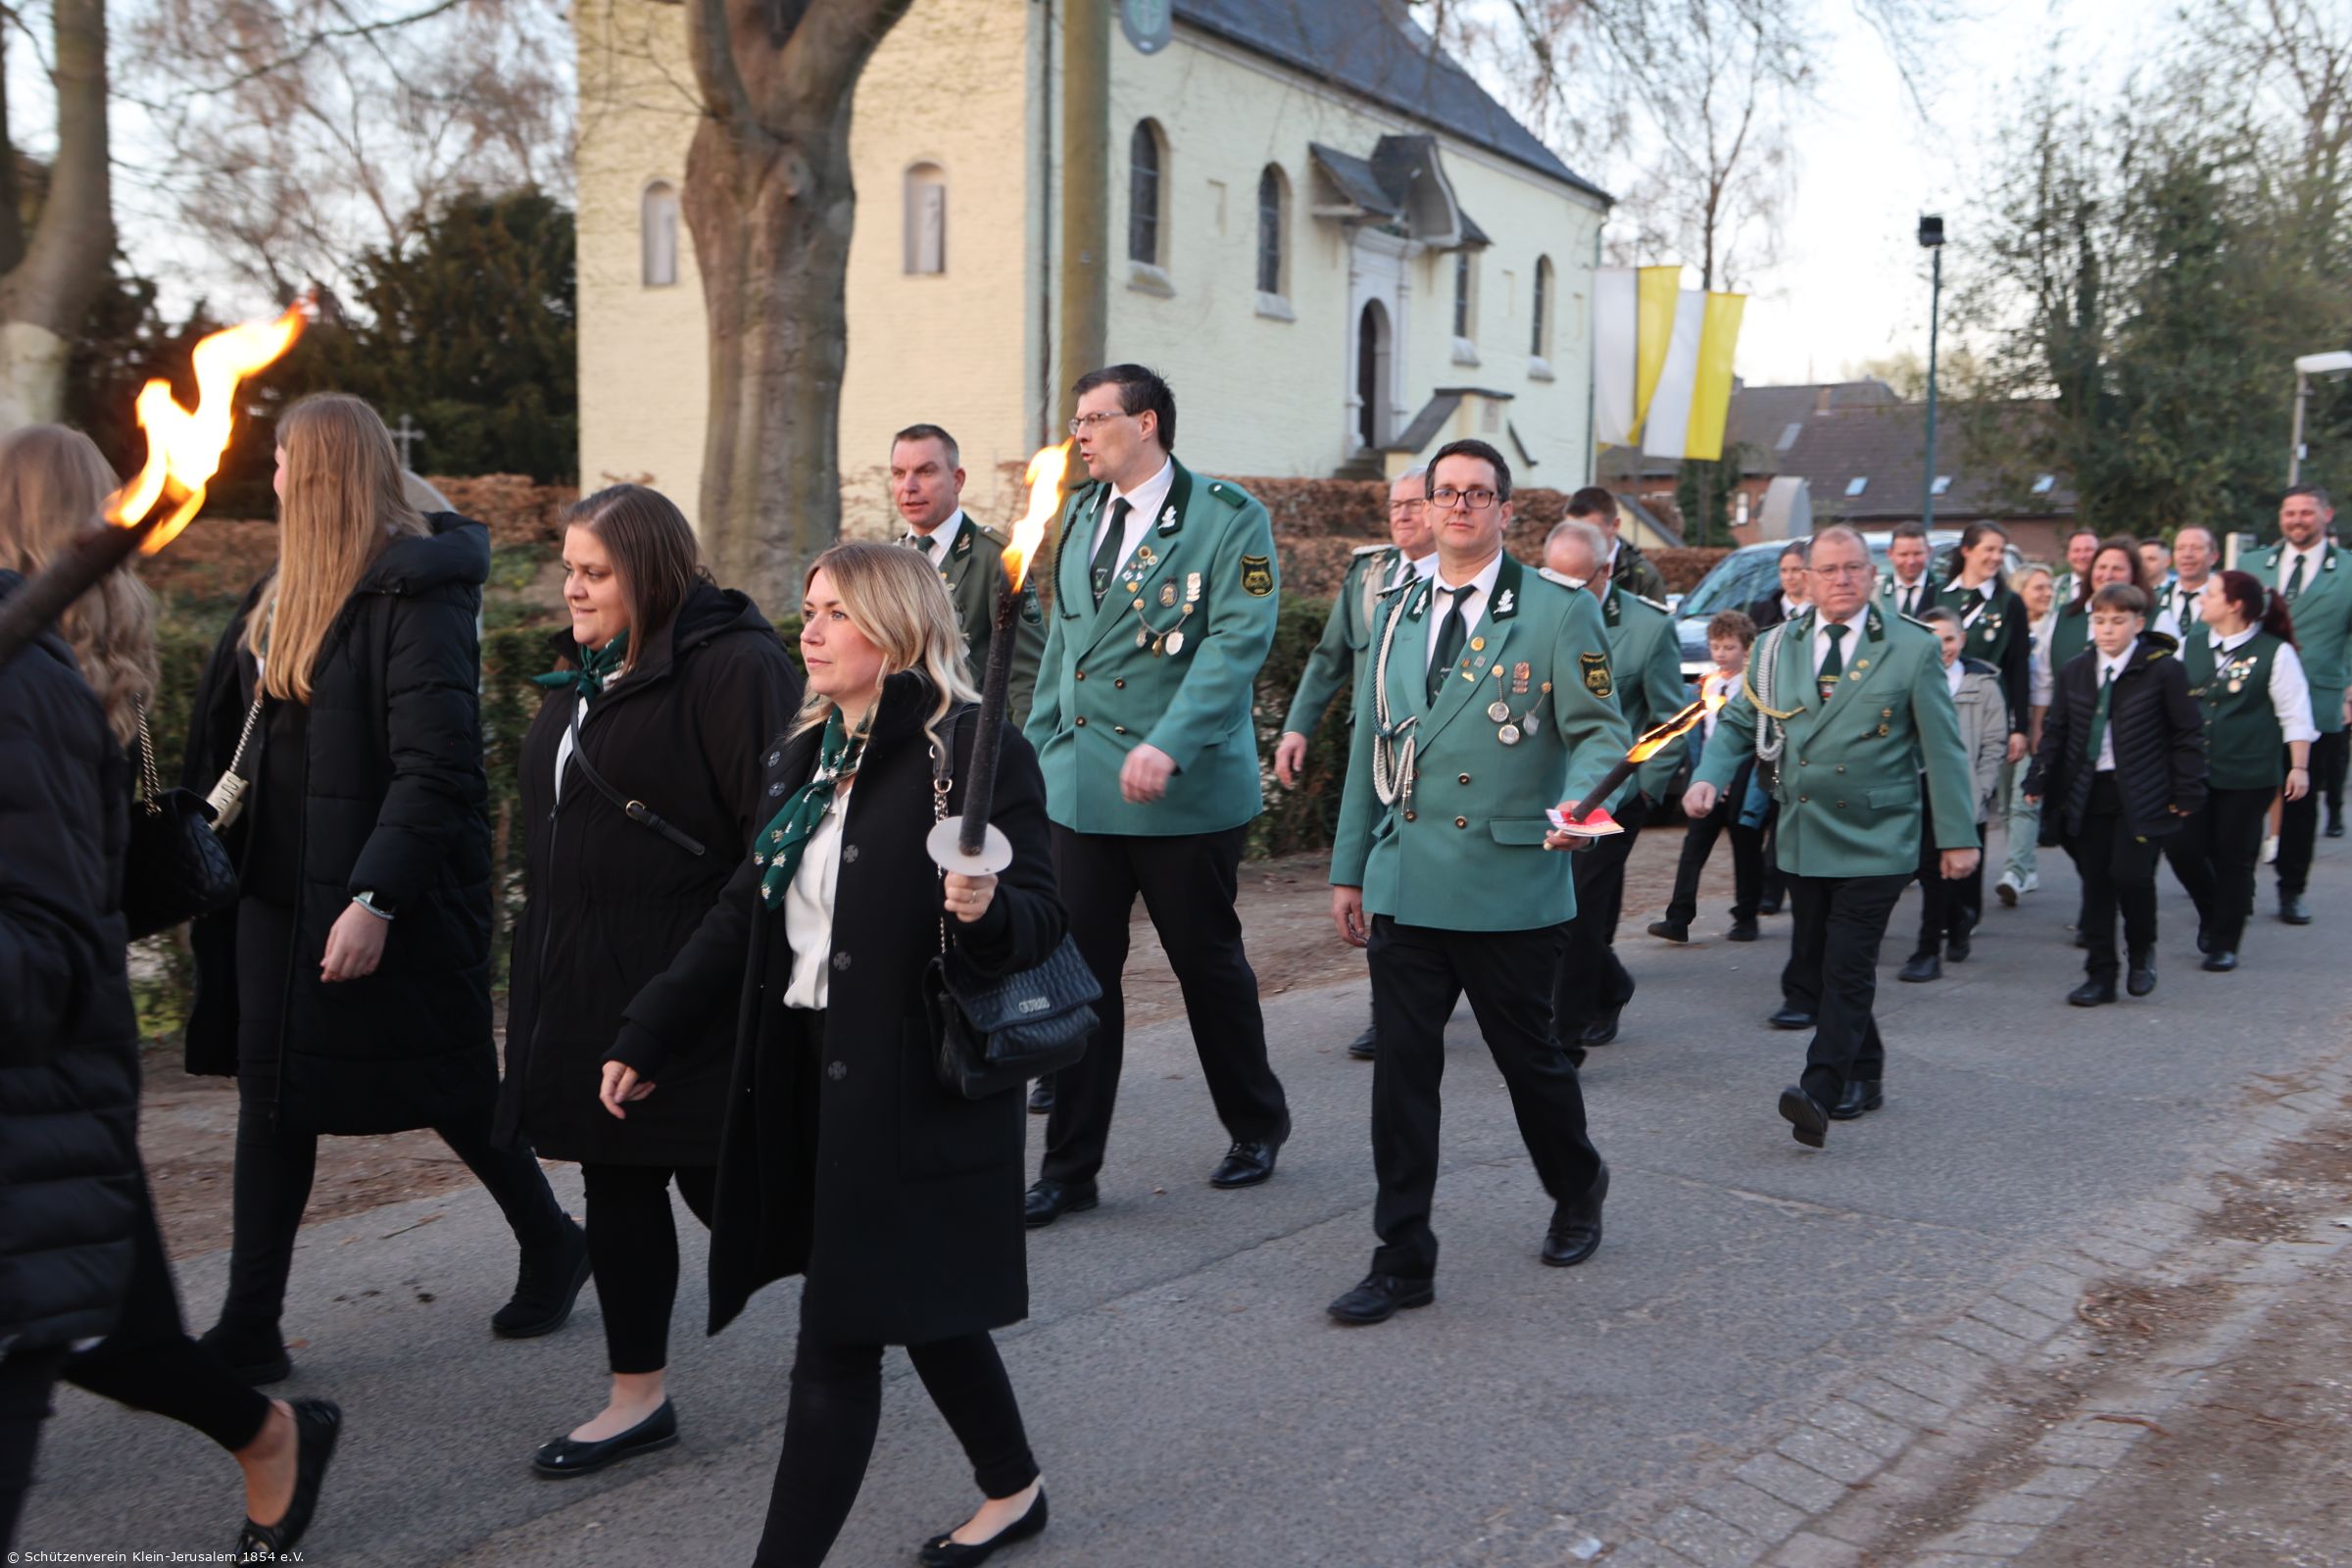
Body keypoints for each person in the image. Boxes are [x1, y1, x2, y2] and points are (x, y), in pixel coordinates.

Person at [601, 542, 1059, 1566]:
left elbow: (1041, 921)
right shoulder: (806, 755)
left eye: (836, 613)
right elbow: (744, 911)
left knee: (839, 1336)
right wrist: (652, 1028)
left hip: (913, 1093)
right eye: (807, 609)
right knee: (918, 1302)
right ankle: (1013, 1485)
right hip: (808, 1078)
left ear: (895, 629)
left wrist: (987, 910)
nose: (808, 631)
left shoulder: (971, 751)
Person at [179, 394, 586, 1386]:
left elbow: (436, 770)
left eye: (285, 460)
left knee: (449, 1080)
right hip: (277, 893)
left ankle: (551, 1239)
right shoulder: (281, 591)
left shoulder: (417, 597)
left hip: (381, 894)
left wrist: (374, 901)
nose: (273, 477)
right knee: (275, 1098)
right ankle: (250, 1323)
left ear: (320, 472)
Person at [0, 425, 338, 1560]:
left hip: (42, 1078)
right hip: (54, 1084)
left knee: (99, 1329)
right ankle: (272, 1434)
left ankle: (274, 1434)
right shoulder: (58, 669)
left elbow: (53, 930)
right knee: (119, 1331)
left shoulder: (39, 689)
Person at [497, 484, 803, 1475]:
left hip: (694, 987)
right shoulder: (589, 670)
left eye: (596, 573)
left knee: (733, 1189)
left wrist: (682, 1002)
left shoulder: (735, 667)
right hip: (589, 981)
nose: (573, 590)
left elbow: (771, 845)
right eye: (569, 569)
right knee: (616, 1180)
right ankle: (637, 1398)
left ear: (652, 574)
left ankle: (884, 1306)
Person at [1325, 438, 1626, 1325]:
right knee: (1402, 1082)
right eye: (1446, 492)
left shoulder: (1557, 611)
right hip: (1408, 879)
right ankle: (1402, 1260)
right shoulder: (1396, 608)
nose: (1459, 506)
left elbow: (1602, 733)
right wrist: (1350, 869)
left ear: (1505, 511)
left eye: (1478, 493)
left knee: (1529, 1063)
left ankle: (1577, 1183)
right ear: (1427, 507)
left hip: (1509, 880)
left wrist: (1581, 806)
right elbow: (1369, 743)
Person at [1020, 365, 1292, 1226]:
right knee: (1080, 978)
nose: (1079, 435)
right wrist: (1030, 761)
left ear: (1145, 424)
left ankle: (1256, 1124)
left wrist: (1167, 743)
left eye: (1094, 419)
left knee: (1205, 965)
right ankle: (1070, 1168)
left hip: (1182, 792)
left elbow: (1235, 645)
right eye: (1075, 421)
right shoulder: (1078, 516)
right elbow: (1065, 654)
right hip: (1083, 790)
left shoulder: (1226, 517)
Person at [1685, 526, 1979, 1144]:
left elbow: (1945, 749)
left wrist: (1957, 837)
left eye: (1853, 568)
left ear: (1872, 575)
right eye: (1829, 570)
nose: (1842, 579)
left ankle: (1820, 1087)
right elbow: (1738, 722)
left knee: (1847, 963)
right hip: (1805, 830)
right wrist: (1709, 775)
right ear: (1808, 579)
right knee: (1823, 963)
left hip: (1879, 833)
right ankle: (1866, 1070)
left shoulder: (1910, 647)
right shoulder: (1773, 648)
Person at [1275, 466, 1435, 1060]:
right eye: (1394, 505)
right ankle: (1386, 1012)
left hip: (1435, 752)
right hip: (1375, 755)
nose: (1402, 515)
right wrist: (1297, 726)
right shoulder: (1370, 574)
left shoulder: (1458, 577)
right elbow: (1329, 657)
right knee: (1374, 873)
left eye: (1414, 503)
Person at [2024, 584, 2205, 1005]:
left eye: (2118, 621)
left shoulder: (2163, 671)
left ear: (2138, 624)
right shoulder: (2077, 670)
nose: (2107, 630)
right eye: (2100, 621)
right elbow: (2057, 731)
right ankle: (2100, 975)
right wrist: (2038, 779)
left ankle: (2141, 950)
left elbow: (2186, 733)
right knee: (2096, 884)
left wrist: (2187, 789)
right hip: (2089, 791)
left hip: (2142, 791)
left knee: (2131, 875)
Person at [1544, 516, 1684, 1047]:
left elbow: (1670, 719)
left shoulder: (1648, 627)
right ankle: (1612, 984)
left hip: (1614, 797)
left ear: (1606, 570)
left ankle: (1568, 1032)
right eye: (1555, 579)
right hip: (1548, 792)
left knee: (1579, 912)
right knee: (1548, 906)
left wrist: (1645, 789)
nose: (1566, 593)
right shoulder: (1533, 616)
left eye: (1578, 581)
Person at [2166, 571, 2315, 972]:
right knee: (2182, 847)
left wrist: (2299, 767)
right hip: (2194, 771)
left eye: (2211, 594)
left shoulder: (2275, 653)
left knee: (2234, 856)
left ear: (2234, 605)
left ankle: (2224, 942)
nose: (2203, 599)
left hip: (2249, 774)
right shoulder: (2190, 645)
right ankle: (2213, 909)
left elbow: (2295, 714)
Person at [889, 423, 1045, 729]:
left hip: (966, 736)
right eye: (898, 473)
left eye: (925, 471)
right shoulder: (889, 561)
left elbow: (1029, 675)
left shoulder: (998, 559)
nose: (909, 486)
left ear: (957, 479)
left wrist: (1029, 750)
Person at [1898, 608, 2007, 982]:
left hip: (1959, 791)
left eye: (1948, 639)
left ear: (1961, 640)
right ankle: (1953, 921)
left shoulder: (1983, 686)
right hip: (1916, 787)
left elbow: (1993, 744)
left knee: (1943, 872)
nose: (1941, 647)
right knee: (1922, 867)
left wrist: (1979, 791)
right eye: (1932, 640)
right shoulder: (1906, 681)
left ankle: (1929, 949)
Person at [1649, 611, 1766, 943]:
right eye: (1716, 646)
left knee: (1746, 847)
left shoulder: (1754, 688)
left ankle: (1746, 917)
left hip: (1744, 775)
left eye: (1729, 647)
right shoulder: (1705, 686)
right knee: (1694, 847)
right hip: (1707, 775)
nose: (1721, 654)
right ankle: (1678, 917)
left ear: (1747, 649)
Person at [2261, 486, 2351, 914]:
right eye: (2289, 512)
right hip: (2252, 702)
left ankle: (2291, 889)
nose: (2297, 520)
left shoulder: (2347, 569)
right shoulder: (2253, 564)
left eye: (2306, 512)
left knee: (2300, 800)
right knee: (2238, 796)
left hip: (2316, 701)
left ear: (2326, 515)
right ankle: (2232, 887)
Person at [1933, 521, 2032, 768]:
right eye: (1989, 549)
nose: (1996, 557)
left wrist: (2019, 728)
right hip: (1939, 705)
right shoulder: (1936, 594)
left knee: (1985, 783)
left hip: (1989, 710)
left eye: (2001, 551)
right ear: (1966, 550)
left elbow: (2019, 666)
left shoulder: (2010, 603)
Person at [1994, 564, 2058, 906]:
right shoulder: (2007, 628)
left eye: (2049, 587)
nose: (2047, 593)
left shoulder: (2055, 629)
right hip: (2003, 721)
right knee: (2006, 802)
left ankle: (2015, 872)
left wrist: (2037, 727)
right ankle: (2027, 867)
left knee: (2025, 799)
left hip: (2038, 724)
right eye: (2039, 587)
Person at [1567, 484, 1670, 603]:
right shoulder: (1559, 569)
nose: (1580, 539)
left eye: (1590, 531)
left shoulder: (1643, 578)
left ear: (1614, 525)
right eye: (1571, 530)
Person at [1878, 522, 1936, 619]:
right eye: (1903, 554)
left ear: (1929, 551)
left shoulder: (1942, 591)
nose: (1911, 561)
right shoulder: (1875, 592)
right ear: (1890, 554)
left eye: (1917, 554)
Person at [1750, 539, 1809, 629]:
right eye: (1784, 570)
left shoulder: (1822, 612)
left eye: (1796, 570)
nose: (1789, 577)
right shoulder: (1761, 613)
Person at [2168, 526, 2218, 630]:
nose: (2187, 555)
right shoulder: (2153, 599)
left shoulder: (2226, 602)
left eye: (2196, 548)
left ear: (2213, 557)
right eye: (2180, 548)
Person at [2052, 527, 2099, 605]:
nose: (2082, 556)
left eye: (2088, 550)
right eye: (2076, 550)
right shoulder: (2054, 587)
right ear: (2068, 555)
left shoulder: (2109, 587)